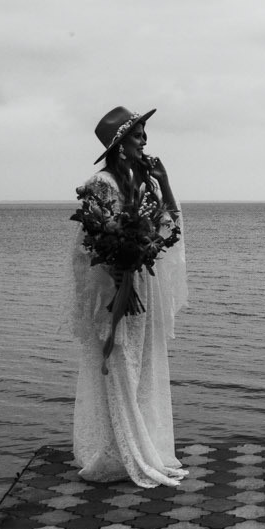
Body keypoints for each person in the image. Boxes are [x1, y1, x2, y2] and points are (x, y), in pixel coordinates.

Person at [69, 105, 188, 487]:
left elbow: (169, 227)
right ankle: (123, 452)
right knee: (121, 361)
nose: (145, 140)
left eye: (143, 133)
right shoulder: (101, 184)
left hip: (140, 285)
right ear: (121, 144)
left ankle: (142, 446)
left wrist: (164, 182)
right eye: (138, 134)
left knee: (143, 364)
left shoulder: (142, 183)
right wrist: (117, 274)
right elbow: (87, 246)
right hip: (113, 287)